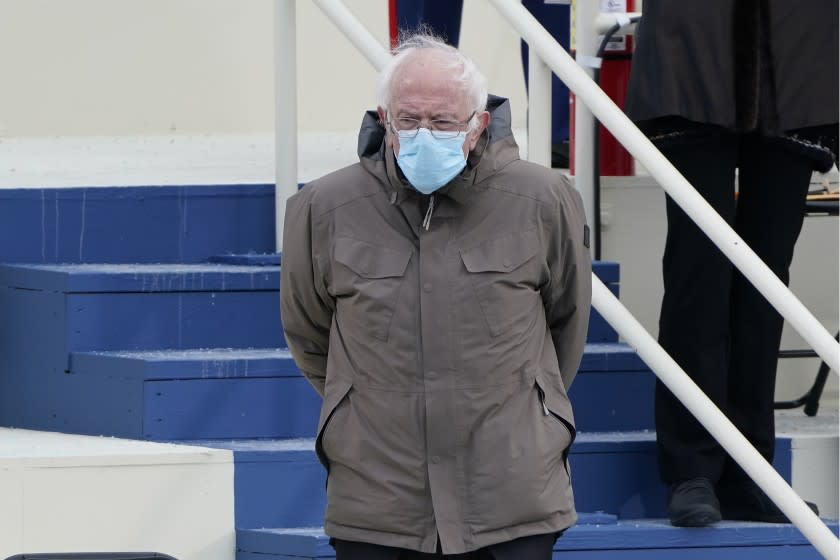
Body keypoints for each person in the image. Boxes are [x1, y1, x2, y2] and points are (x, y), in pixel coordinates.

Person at [280, 33, 592, 559]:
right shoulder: (323, 207)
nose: (425, 133)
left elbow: (567, 322)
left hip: (510, 500)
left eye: (443, 122)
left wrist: (532, 404)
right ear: (384, 119)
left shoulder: (544, 199)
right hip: (379, 503)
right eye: (408, 119)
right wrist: (361, 402)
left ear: (479, 123)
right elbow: (309, 332)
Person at [624, 1, 838, 527]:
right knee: (698, 272)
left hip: (797, 48)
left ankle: (749, 471)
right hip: (694, 41)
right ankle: (691, 467)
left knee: (767, 283)